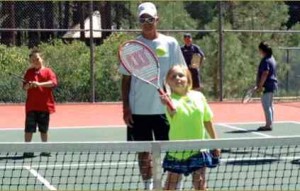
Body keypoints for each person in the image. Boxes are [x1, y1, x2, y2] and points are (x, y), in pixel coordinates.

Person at [119, 2, 186, 190]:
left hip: (165, 110)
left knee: (172, 151)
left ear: (157, 19)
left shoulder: (170, 43)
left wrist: (179, 100)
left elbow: (181, 73)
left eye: (150, 19)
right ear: (139, 21)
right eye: (143, 19)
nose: (147, 23)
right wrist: (126, 108)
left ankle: (173, 187)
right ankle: (149, 186)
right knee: (143, 151)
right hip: (138, 111)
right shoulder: (132, 47)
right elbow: (125, 81)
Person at [160, 65, 220, 191]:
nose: (177, 78)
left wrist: (216, 143)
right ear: (168, 83)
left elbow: (207, 120)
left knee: (200, 184)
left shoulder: (199, 96)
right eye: (173, 76)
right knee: (170, 185)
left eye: (181, 75)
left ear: (188, 78)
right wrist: (167, 103)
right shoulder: (170, 101)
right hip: (177, 151)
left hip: (198, 149)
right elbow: (171, 112)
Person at [23, 49, 58, 157]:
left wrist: (39, 84)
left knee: (44, 129)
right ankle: (28, 150)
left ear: (41, 59)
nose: (35, 61)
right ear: (30, 62)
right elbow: (24, 87)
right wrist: (29, 85)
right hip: (31, 107)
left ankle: (45, 149)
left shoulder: (48, 71)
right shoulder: (29, 72)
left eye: (37, 59)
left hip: (44, 106)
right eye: (33, 60)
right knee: (29, 129)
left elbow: (53, 83)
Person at [256, 41, 278, 131]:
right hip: (272, 85)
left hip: (267, 85)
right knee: (270, 105)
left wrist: (260, 85)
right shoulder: (272, 58)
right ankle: (270, 123)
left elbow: (265, 73)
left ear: (262, 50)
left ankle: (268, 125)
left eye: (259, 50)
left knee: (266, 105)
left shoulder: (265, 60)